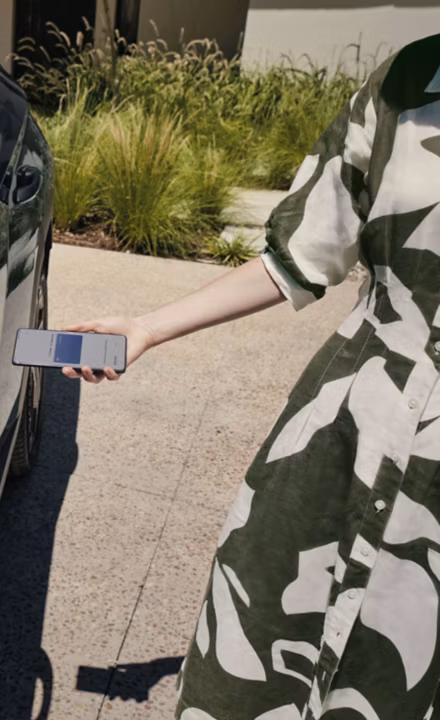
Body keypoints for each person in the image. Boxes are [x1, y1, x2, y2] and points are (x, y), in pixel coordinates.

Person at [63, 33, 440, 720]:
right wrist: (149, 327)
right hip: (339, 444)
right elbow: (300, 254)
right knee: (266, 656)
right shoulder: (410, 80)